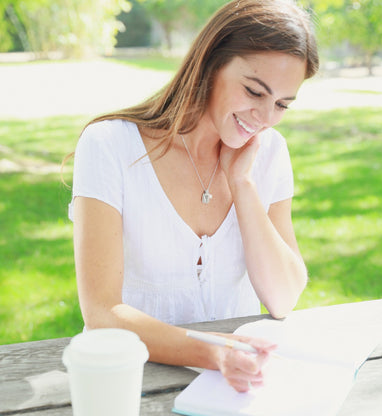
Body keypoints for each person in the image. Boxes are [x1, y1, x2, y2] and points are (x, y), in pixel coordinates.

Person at [67, 0, 319, 392]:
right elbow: (102, 312)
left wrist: (243, 186)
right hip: (132, 383)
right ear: (210, 63)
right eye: (254, 91)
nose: (265, 118)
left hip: (235, 390)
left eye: (282, 104)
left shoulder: (268, 153)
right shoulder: (110, 145)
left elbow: (283, 297)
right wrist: (215, 353)